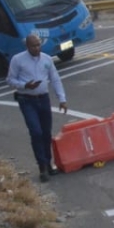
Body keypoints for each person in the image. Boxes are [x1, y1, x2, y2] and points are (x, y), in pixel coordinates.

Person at [5, 34, 67, 182]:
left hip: (43, 99)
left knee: (46, 133)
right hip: (27, 100)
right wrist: (25, 85)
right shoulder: (18, 60)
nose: (37, 48)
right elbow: (10, 80)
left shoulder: (46, 59)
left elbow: (55, 79)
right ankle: (42, 167)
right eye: (33, 46)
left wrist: (62, 99)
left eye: (38, 45)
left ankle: (48, 163)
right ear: (27, 46)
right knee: (36, 132)